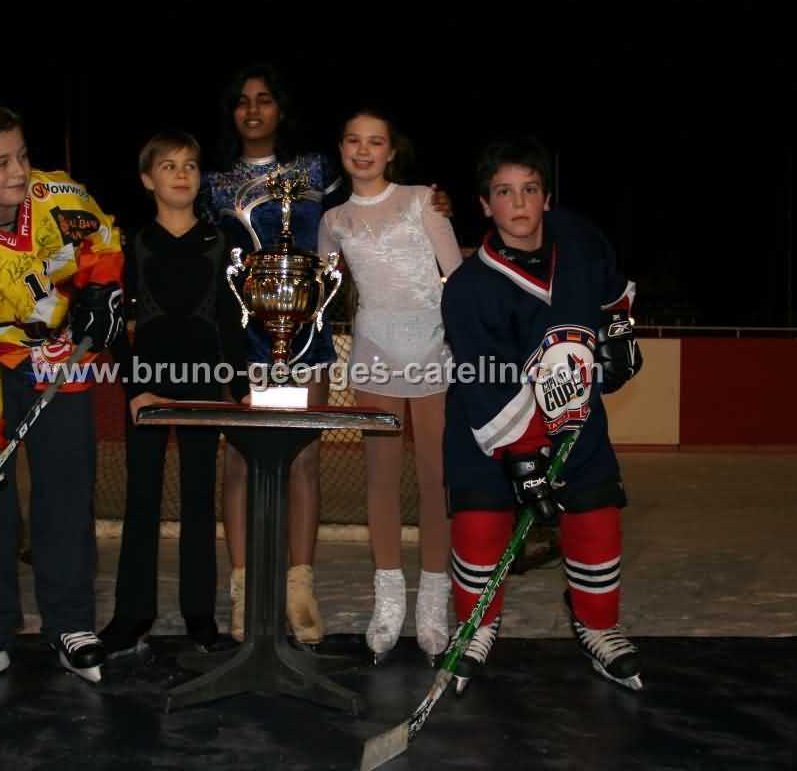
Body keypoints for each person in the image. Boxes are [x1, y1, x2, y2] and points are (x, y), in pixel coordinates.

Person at [201, 62, 453, 645]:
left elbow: (349, 258)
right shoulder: (215, 185)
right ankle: (248, 592)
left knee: (324, 465)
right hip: (250, 342)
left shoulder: (315, 172)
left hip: (315, 341)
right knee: (241, 464)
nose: (254, 109)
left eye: (265, 98)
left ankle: (309, 591)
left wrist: (438, 202)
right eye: (243, 100)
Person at [0, 97, 125, 686]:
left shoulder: (57, 198)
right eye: (0, 162)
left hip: (62, 357)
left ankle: (69, 622)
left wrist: (102, 290)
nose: (18, 171)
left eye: (23, 155)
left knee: (66, 489)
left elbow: (102, 240)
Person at [440, 135, 644, 694]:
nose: (519, 202)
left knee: (596, 509)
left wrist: (618, 333)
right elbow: (484, 382)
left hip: (575, 412)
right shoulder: (469, 289)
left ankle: (597, 625)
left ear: (546, 198)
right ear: (485, 205)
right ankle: (477, 625)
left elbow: (613, 295)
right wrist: (524, 460)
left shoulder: (578, 239)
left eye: (529, 189)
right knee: (483, 520)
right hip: (490, 425)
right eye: (504, 192)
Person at [317, 107, 461, 664]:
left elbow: (458, 278)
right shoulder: (333, 220)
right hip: (374, 351)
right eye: (353, 140)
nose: (363, 150)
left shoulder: (424, 200)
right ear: (341, 149)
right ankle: (388, 604)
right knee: (379, 481)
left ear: (391, 151)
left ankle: (433, 604)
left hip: (432, 350)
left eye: (374, 141)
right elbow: (323, 293)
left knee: (435, 479)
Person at [98, 130, 247, 661]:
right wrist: (135, 386)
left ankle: (199, 616)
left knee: (199, 500)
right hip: (148, 385)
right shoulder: (132, 243)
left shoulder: (219, 242)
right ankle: (131, 616)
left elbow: (230, 321)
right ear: (147, 180)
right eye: (168, 166)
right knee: (141, 500)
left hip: (204, 383)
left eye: (190, 165)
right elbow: (116, 322)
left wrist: (240, 389)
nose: (181, 174)